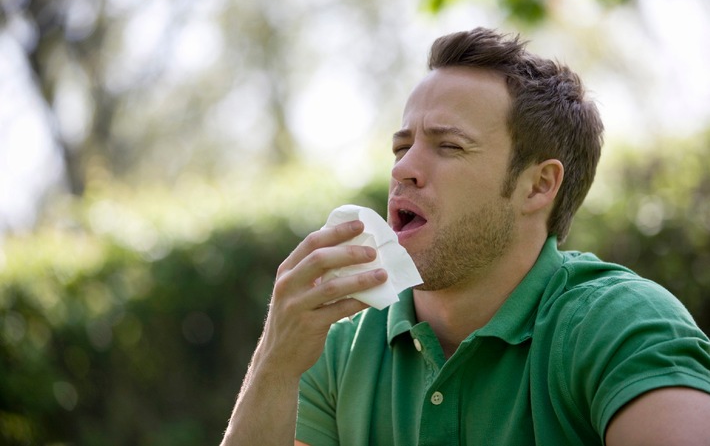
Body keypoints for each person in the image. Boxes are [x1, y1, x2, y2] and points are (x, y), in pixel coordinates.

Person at [220, 27, 710, 445]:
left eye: (448, 146)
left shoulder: (618, 324)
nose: (404, 169)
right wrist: (275, 360)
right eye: (402, 146)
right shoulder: (338, 347)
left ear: (537, 185)